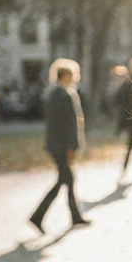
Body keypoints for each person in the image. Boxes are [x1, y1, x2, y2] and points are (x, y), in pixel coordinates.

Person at [29, 58, 89, 233]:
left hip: (59, 145)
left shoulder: (58, 93)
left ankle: (75, 216)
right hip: (62, 146)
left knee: (67, 180)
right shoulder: (62, 95)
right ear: (65, 75)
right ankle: (38, 216)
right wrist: (70, 147)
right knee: (64, 180)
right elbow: (66, 125)